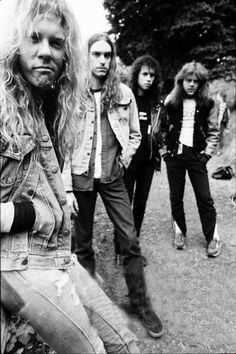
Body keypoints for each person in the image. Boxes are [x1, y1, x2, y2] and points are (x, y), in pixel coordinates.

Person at [0, 1, 140, 353]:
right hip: (18, 263)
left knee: (124, 342)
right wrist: (31, 213)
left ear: (67, 55)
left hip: (57, 252)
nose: (45, 51)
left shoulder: (52, 104)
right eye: (34, 39)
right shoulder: (3, 107)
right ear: (16, 45)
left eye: (56, 43)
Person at [62, 32, 164, 338]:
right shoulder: (72, 92)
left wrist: (126, 156)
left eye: (107, 55)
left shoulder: (123, 94)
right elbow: (63, 141)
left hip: (113, 178)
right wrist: (66, 187)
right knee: (82, 245)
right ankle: (90, 307)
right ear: (87, 57)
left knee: (129, 239)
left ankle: (140, 303)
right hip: (80, 178)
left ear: (113, 58)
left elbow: (135, 133)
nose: (103, 61)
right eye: (96, 54)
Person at [160, 61, 222, 257]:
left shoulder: (208, 102)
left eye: (196, 81)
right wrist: (163, 152)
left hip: (197, 157)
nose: (192, 84)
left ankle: (212, 236)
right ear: (181, 81)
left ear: (201, 83)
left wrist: (207, 154)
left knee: (204, 197)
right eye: (188, 80)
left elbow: (214, 131)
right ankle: (179, 231)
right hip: (175, 156)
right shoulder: (172, 100)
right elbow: (159, 127)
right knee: (175, 196)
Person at [113, 55, 165, 264]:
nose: (149, 79)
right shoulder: (126, 97)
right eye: (145, 74)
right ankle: (120, 248)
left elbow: (160, 128)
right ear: (137, 75)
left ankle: (133, 247)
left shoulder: (157, 103)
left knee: (140, 205)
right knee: (125, 205)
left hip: (148, 162)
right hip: (128, 161)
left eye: (152, 75)